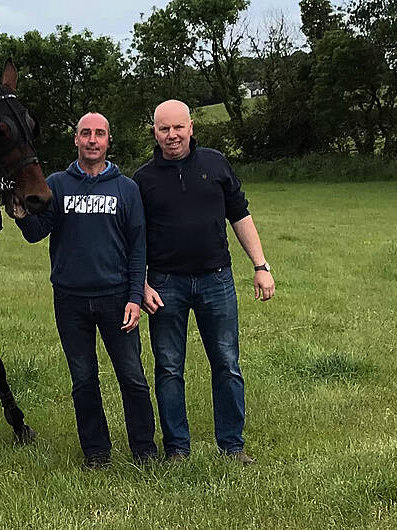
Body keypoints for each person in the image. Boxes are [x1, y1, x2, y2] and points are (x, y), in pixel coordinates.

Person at [133, 99, 275, 465]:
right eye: (164, 129)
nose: (172, 135)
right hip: (165, 285)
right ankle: (177, 449)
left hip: (217, 280)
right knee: (168, 367)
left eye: (178, 127)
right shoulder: (143, 179)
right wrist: (142, 283)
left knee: (227, 362)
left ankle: (232, 446)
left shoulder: (215, 163)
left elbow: (240, 215)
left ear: (191, 127)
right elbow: (135, 239)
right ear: (155, 132)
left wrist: (261, 265)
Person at [11, 113, 157, 468]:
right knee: (83, 379)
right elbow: (36, 232)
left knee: (133, 377)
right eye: (85, 134)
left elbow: (138, 247)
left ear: (108, 141)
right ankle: (96, 451)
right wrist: (20, 214)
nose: (92, 140)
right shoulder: (58, 184)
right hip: (70, 299)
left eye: (100, 134)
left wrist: (135, 297)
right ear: (75, 140)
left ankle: (145, 449)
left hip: (116, 298)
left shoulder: (126, 188)